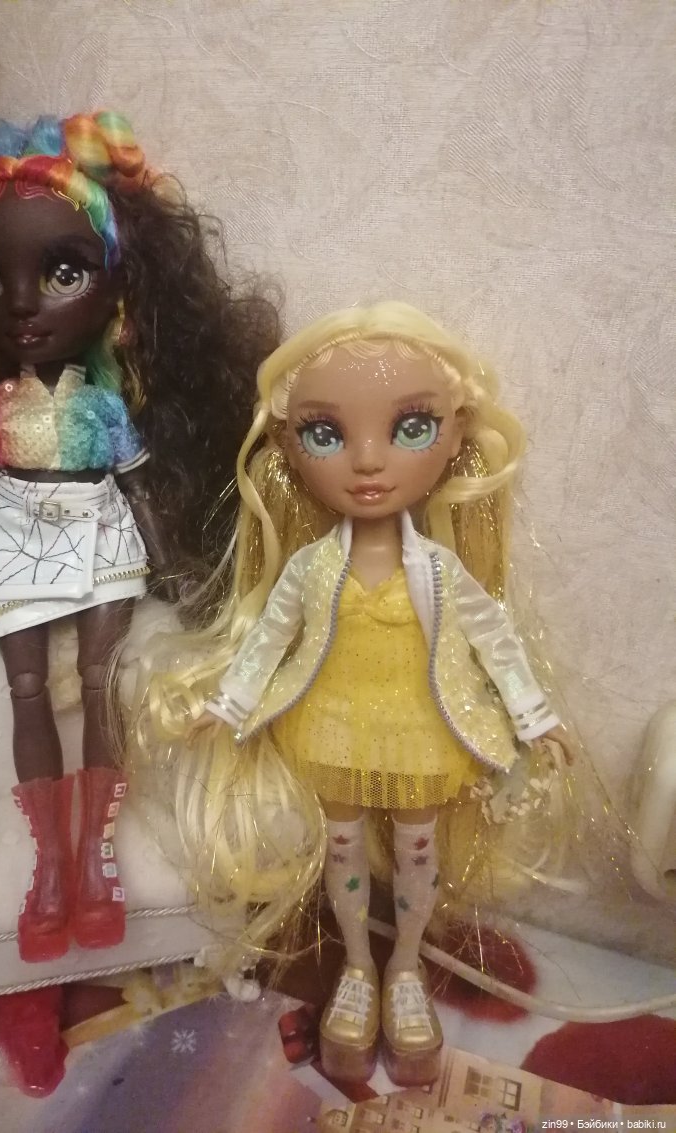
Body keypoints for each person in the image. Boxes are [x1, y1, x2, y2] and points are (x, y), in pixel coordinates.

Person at [0, 111, 280, 963]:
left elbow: (138, 486)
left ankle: (95, 855)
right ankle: (50, 864)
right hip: (17, 545)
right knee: (26, 690)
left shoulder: (103, 409)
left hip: (103, 542)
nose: (24, 303)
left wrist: (170, 563)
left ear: (117, 294)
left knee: (103, 685)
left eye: (64, 271)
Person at [136, 301, 570, 1086]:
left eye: (411, 427)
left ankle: (405, 966)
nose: (368, 462)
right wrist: (227, 706)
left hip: (421, 730)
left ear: (457, 434)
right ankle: (360, 967)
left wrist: (534, 717)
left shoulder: (440, 569)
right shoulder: (312, 567)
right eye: (326, 433)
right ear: (286, 443)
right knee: (342, 848)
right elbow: (269, 637)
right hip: (331, 726)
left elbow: (494, 637)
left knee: (416, 851)